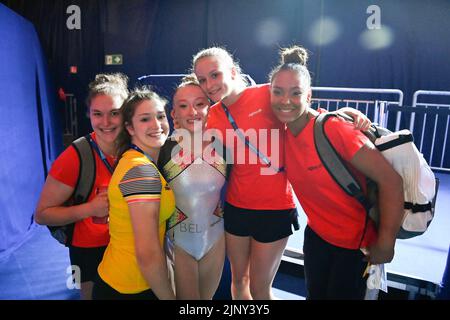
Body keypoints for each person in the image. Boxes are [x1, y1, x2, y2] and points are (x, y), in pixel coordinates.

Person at [192, 47, 371, 300]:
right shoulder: (214, 115)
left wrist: (346, 114)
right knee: (238, 281)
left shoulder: (267, 93)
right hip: (236, 207)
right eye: (202, 79)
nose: (209, 85)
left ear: (232, 72)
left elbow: (304, 111)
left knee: (259, 288)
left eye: (214, 75)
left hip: (274, 209)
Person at [269, 45, 404, 299]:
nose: (285, 100)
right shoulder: (280, 134)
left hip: (355, 246)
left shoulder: (335, 129)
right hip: (317, 237)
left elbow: (391, 181)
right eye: (278, 92)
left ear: (308, 96)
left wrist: (386, 242)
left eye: (295, 93)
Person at [34, 73, 129, 300]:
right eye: (98, 114)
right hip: (90, 251)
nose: (105, 122)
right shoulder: (75, 157)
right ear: (89, 114)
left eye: (114, 113)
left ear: (126, 114)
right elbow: (42, 215)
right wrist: (89, 209)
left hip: (130, 244)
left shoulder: (137, 146)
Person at [92, 87, 175, 300]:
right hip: (129, 288)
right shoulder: (140, 170)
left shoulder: (137, 161)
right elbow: (147, 254)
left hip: (130, 282)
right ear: (129, 128)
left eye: (160, 116)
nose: (157, 125)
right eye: (145, 119)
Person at [158, 75, 229, 299]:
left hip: (215, 240)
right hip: (179, 243)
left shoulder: (224, 147)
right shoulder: (162, 150)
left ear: (210, 107)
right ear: (174, 114)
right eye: (183, 106)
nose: (193, 112)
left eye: (200, 104)